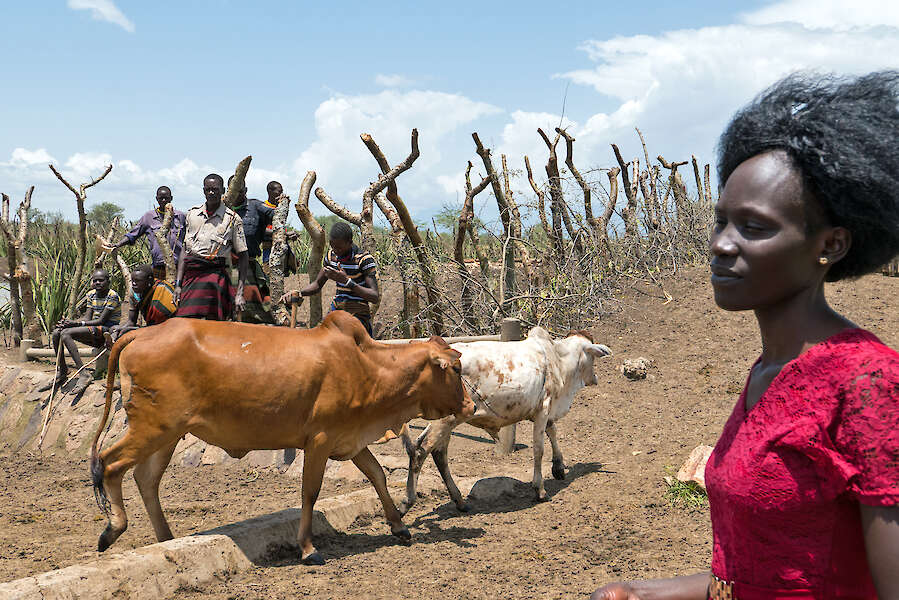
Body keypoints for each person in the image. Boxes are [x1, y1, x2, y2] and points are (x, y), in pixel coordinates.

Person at [592, 72, 899, 600]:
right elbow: (769, 571)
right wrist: (640, 592)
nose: (722, 245)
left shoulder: (869, 385)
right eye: (721, 222)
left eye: (753, 227)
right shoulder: (768, 372)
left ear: (831, 244)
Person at [281, 221, 379, 336]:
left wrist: (347, 282)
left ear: (350, 243)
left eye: (340, 247)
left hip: (358, 311)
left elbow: (374, 296)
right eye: (333, 246)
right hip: (337, 308)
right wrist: (299, 293)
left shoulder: (364, 260)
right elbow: (317, 285)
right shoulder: (331, 256)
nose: (336, 251)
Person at [174, 173, 247, 320]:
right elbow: (184, 251)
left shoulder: (232, 219)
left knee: (214, 325)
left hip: (215, 278)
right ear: (203, 191)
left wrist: (240, 293)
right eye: (208, 189)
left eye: (215, 189)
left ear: (223, 190)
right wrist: (178, 285)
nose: (211, 193)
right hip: (191, 276)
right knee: (185, 321)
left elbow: (243, 256)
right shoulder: (192, 215)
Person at [38, 269, 121, 396]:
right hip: (94, 328)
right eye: (95, 280)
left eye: (101, 280)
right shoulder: (91, 294)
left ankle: (83, 373)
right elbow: (87, 319)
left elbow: (101, 320)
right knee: (56, 332)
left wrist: (76, 324)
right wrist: (69, 322)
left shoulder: (112, 295)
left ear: (108, 281)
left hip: (107, 329)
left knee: (66, 334)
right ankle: (63, 370)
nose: (97, 283)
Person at [107, 186, 185, 281]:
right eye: (161, 198)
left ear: (171, 198)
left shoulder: (180, 216)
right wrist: (118, 244)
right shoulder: (149, 217)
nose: (164, 200)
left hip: (178, 267)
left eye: (167, 198)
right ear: (157, 199)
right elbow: (133, 234)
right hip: (158, 267)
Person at [228, 175, 274, 323]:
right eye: (233, 191)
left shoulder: (255, 207)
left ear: (245, 190)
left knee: (261, 308)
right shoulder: (222, 209)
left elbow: (275, 216)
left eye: (240, 191)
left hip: (250, 265)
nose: (237, 195)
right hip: (226, 266)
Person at [107, 264, 177, 344]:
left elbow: (164, 326)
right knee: (114, 329)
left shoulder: (162, 292)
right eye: (132, 280)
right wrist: (120, 329)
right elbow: (131, 321)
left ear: (149, 281)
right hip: (150, 328)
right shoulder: (135, 293)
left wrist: (135, 329)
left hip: (168, 330)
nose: (133, 284)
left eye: (138, 281)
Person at [261, 180, 282, 264]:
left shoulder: (281, 207)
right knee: (268, 266)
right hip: (268, 244)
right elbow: (262, 228)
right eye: (279, 192)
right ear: (270, 191)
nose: (281, 194)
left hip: (280, 244)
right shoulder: (263, 207)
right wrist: (279, 232)